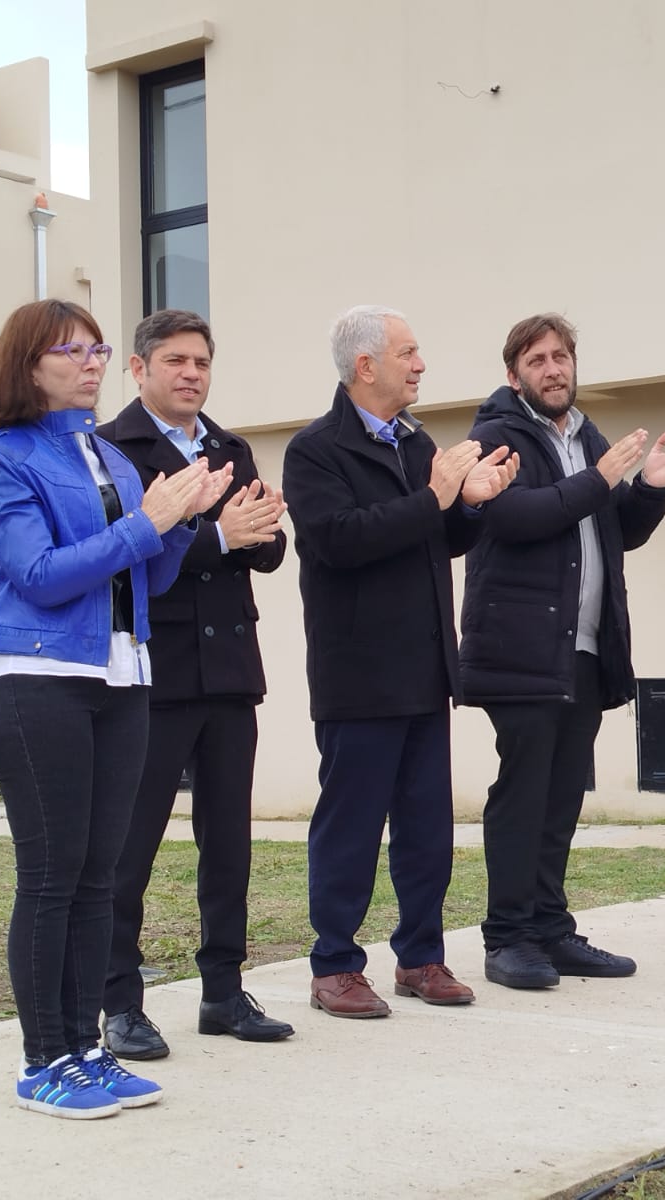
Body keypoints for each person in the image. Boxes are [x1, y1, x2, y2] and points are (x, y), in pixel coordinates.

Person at [0, 298, 229, 1117]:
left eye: (97, 349)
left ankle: (85, 1049)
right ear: (27, 365)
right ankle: (43, 1058)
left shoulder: (110, 461)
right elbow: (40, 574)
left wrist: (183, 522)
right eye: (70, 349)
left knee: (97, 878)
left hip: (123, 681)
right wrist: (151, 520)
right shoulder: (3, 458)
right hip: (36, 681)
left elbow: (143, 577)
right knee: (51, 878)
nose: (90, 362)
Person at [282, 304, 517, 1018]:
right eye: (409, 353)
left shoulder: (416, 445)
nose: (420, 365)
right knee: (350, 825)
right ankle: (335, 966)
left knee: (425, 827)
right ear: (366, 367)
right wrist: (437, 495)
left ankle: (421, 956)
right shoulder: (315, 450)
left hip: (423, 668)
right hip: (358, 674)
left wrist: (468, 507)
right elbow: (339, 541)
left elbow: (433, 535)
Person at [458, 313, 665, 990]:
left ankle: (551, 930)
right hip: (519, 648)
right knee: (522, 794)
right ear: (514, 375)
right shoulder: (494, 437)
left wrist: (651, 487)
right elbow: (514, 518)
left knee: (561, 796)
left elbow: (618, 532)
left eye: (562, 357)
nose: (554, 369)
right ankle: (507, 938)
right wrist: (599, 479)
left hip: (584, 649)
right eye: (538, 360)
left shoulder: (589, 436)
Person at [97, 309, 294, 1054]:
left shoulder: (228, 447)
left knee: (229, 842)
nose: (191, 374)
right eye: (175, 360)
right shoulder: (113, 449)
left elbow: (265, 555)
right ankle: (120, 1003)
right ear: (140, 369)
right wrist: (214, 534)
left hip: (231, 670)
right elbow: (131, 559)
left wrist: (262, 526)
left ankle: (223, 992)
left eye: (202, 363)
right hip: (155, 673)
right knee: (131, 845)